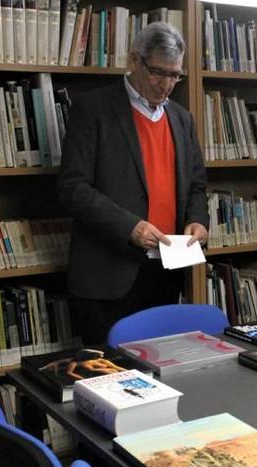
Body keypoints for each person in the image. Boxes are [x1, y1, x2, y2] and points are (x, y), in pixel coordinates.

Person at [58, 22, 209, 344]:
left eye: (174, 75)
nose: (165, 84)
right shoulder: (93, 108)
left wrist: (197, 219)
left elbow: (196, 184)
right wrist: (131, 228)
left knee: (159, 367)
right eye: (157, 72)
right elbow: (73, 188)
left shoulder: (181, 118)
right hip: (108, 272)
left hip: (166, 268)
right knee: (110, 378)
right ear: (134, 61)